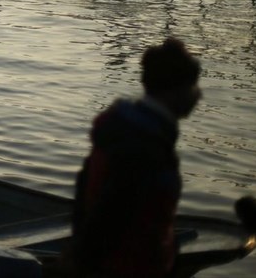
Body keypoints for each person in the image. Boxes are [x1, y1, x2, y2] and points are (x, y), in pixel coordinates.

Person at [71, 38, 202, 278]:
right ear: (176, 90)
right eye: (193, 87)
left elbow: (84, 190)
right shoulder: (144, 144)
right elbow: (112, 211)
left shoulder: (125, 128)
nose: (198, 95)